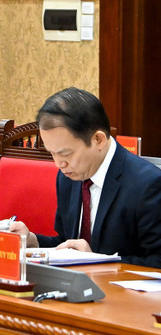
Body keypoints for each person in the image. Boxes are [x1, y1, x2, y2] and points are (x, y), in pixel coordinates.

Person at [9, 87, 161, 268]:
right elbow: (67, 244)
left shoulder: (148, 184)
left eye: (66, 154)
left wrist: (98, 261)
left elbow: (157, 261)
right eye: (52, 154)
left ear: (98, 140)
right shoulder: (67, 178)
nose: (59, 164)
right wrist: (34, 242)